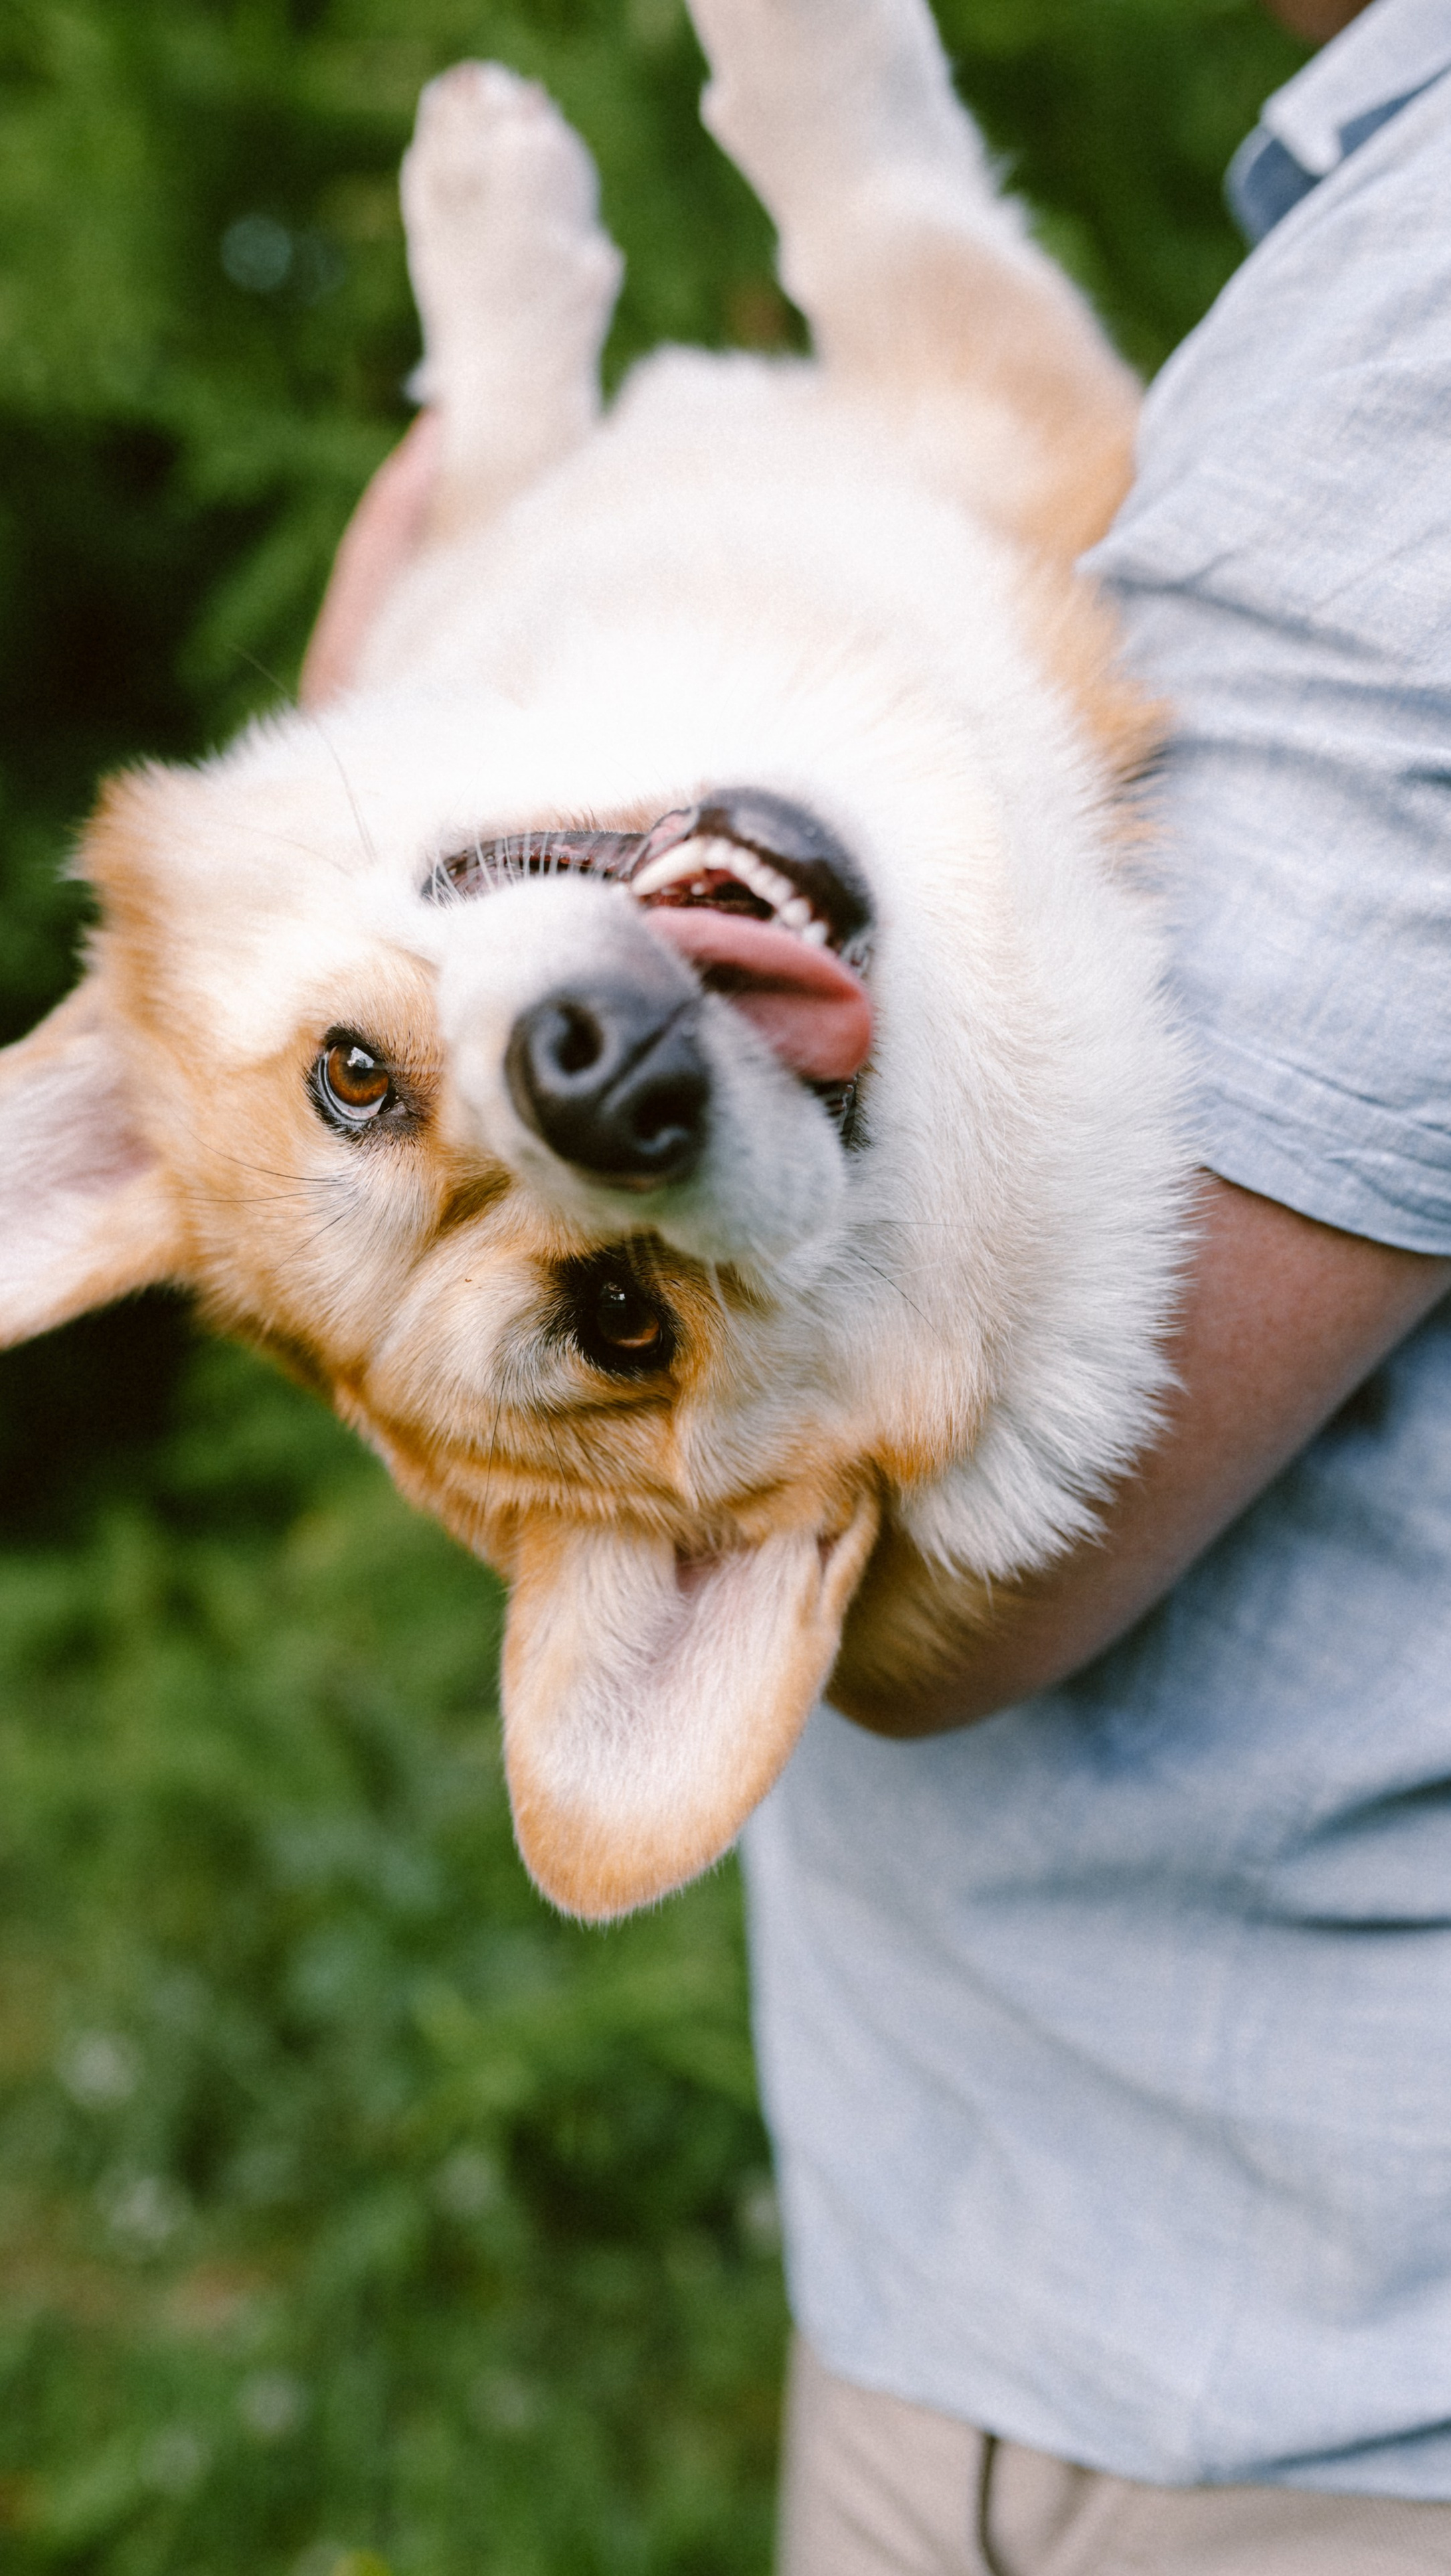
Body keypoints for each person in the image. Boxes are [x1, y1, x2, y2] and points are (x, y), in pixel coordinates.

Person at [306, 0, 1451, 2563]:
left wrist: (357, 783)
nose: (591, 1094)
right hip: (969, 2251)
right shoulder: (1352, 248)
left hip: (1323, 2393)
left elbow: (956, 1605)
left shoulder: (1425, 314)